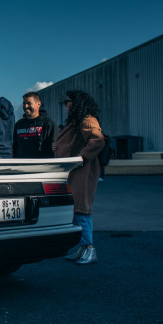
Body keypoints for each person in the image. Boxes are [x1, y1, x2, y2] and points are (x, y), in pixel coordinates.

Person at [53, 90, 105, 265]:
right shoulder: (77, 121)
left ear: (76, 103)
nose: (66, 104)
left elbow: (98, 140)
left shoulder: (87, 120)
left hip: (82, 172)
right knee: (77, 210)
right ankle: (83, 248)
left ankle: (89, 249)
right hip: (75, 172)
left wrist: (80, 158)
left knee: (82, 209)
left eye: (68, 101)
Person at [12, 92, 56, 158]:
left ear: (38, 104)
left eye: (29, 103)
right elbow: (14, 147)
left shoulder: (48, 123)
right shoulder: (19, 124)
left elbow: (53, 148)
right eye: (24, 103)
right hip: (21, 166)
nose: (26, 106)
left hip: (40, 166)